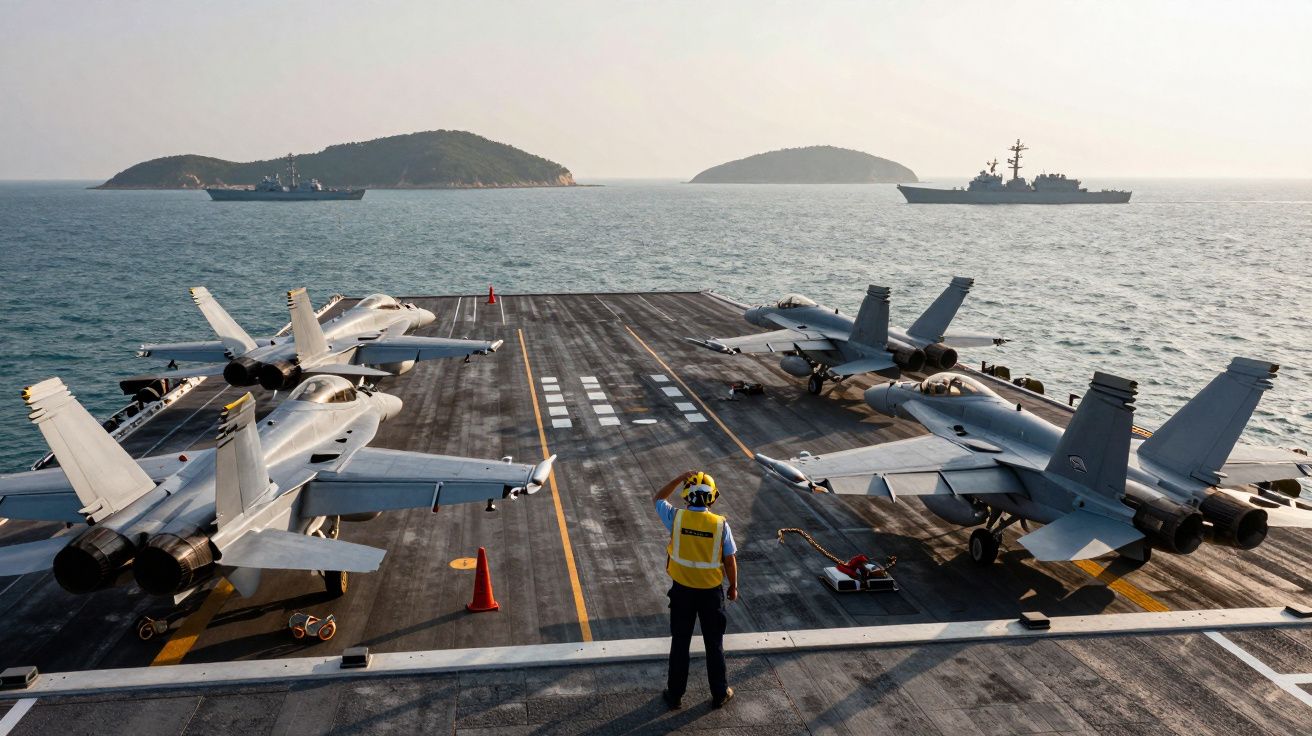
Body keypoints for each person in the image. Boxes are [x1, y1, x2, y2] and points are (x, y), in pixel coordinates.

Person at [654, 470, 738, 710]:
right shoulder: (720, 524)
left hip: (682, 592)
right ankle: (719, 693)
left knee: (680, 643)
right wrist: (733, 586)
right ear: (712, 497)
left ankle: (675, 695)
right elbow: (729, 560)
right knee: (714, 644)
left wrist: (679, 477)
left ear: (686, 495)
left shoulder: (676, 518)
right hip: (711, 594)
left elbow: (658, 498)